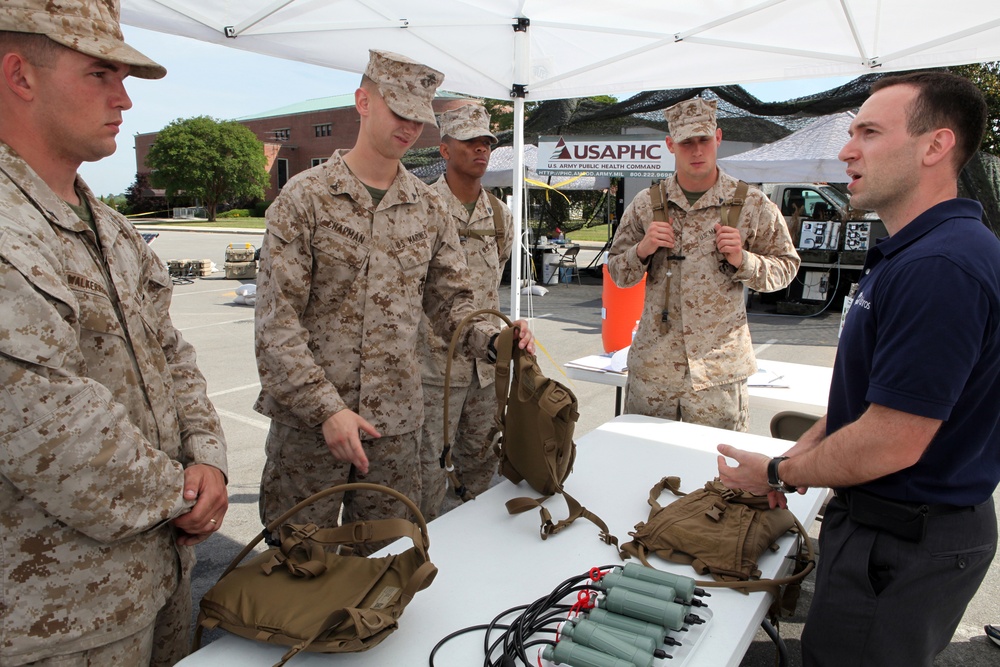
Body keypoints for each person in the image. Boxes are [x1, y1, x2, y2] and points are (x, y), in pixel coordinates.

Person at [717, 71, 1000, 666]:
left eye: (869, 132)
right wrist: (791, 465)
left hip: (903, 539)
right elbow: (868, 407)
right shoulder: (921, 254)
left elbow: (892, 441)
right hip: (890, 528)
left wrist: (776, 471)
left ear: (935, 146)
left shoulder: (941, 268)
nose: (847, 149)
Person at [0, 2, 229, 665]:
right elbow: (46, 425)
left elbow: (172, 352)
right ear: (20, 75)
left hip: (156, 586)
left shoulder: (112, 227)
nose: (124, 97)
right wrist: (181, 494)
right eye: (100, 72)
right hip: (54, 624)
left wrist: (208, 455)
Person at [254, 51, 532, 547]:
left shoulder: (427, 209)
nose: (409, 128)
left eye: (418, 118)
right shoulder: (304, 199)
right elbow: (277, 325)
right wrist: (326, 409)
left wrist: (497, 339)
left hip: (393, 427)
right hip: (311, 430)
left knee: (388, 563)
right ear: (362, 102)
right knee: (300, 564)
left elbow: (452, 304)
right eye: (398, 112)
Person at [607, 98, 799, 431]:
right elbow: (617, 274)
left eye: (704, 140)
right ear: (671, 145)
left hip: (718, 376)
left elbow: (786, 268)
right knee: (645, 467)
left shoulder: (750, 203)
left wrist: (744, 260)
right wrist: (642, 249)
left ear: (718, 138)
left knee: (716, 472)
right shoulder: (647, 204)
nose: (697, 150)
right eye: (686, 142)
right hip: (655, 374)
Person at [418, 102, 513, 520]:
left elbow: (498, 273)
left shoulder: (498, 214)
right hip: (434, 370)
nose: (481, 150)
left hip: (487, 368)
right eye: (470, 141)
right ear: (443, 149)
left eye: (487, 142)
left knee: (480, 468)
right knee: (426, 474)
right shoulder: (421, 208)